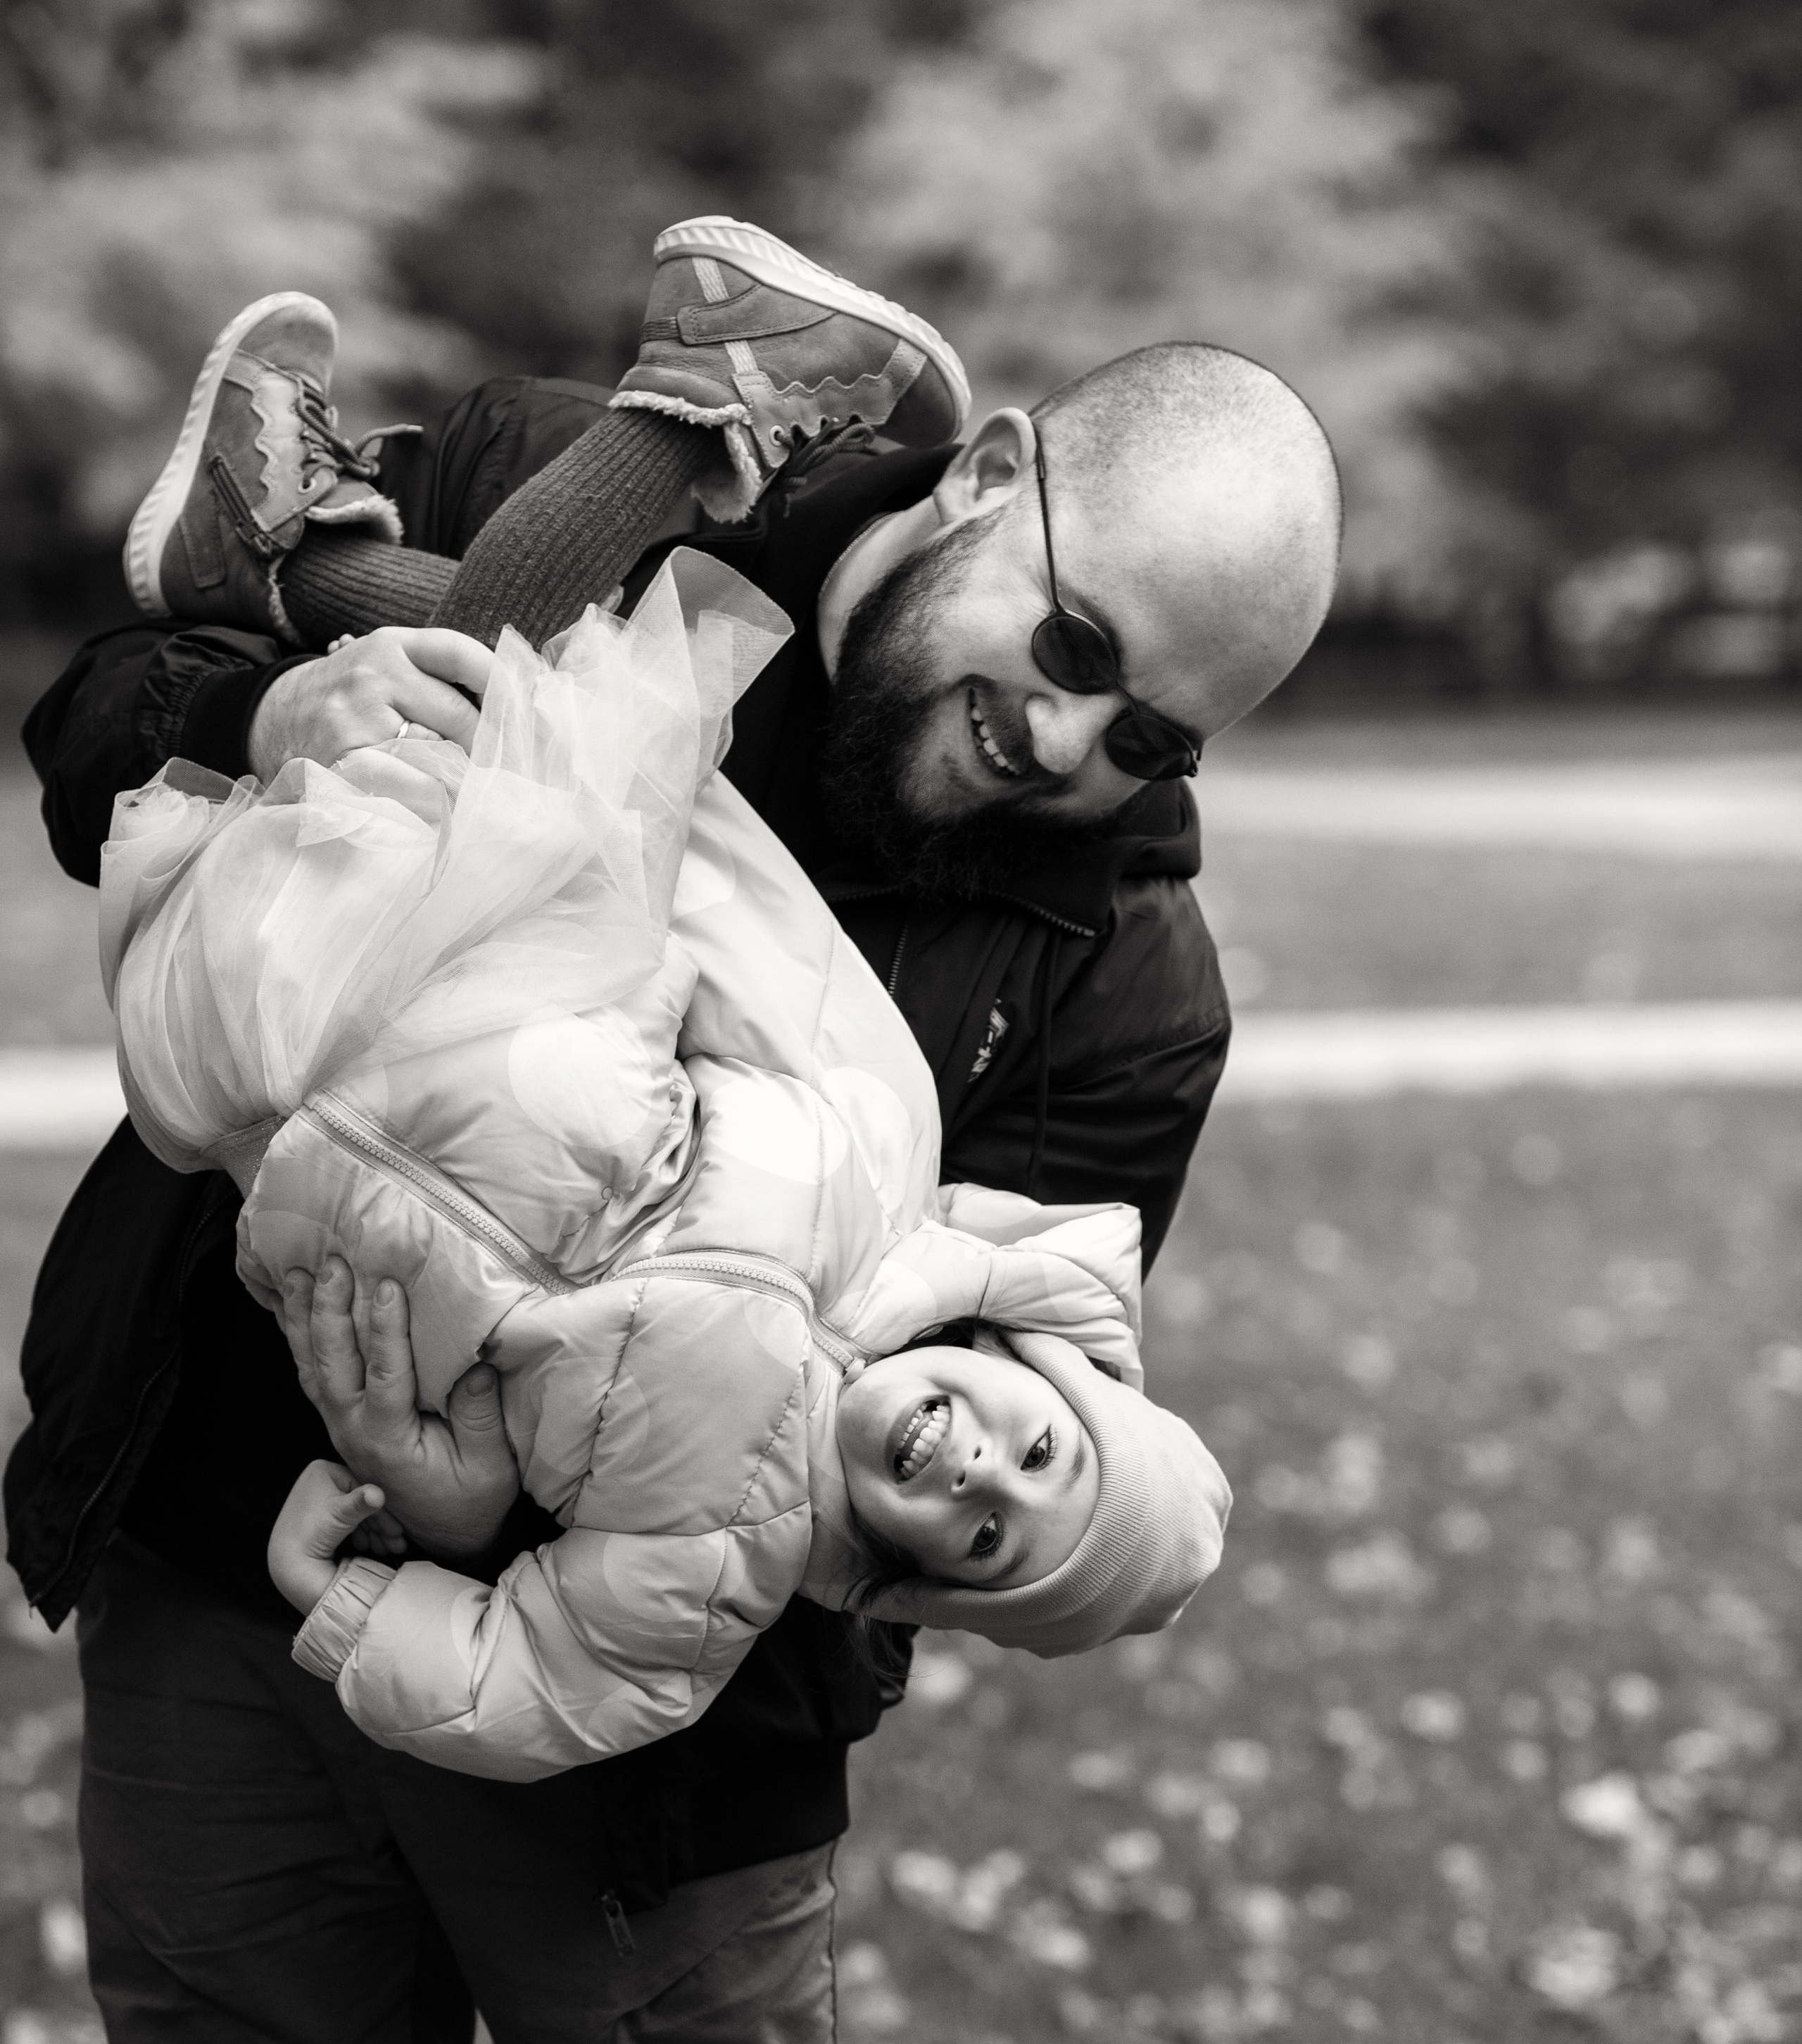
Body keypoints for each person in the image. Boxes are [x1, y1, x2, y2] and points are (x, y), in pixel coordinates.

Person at [6, 215, 1340, 2044]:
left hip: (640, 1737)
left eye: (1157, 734)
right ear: (999, 475)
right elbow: (111, 700)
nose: (1074, 748)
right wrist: (263, 714)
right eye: (1075, 652)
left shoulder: (1120, 985)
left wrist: (527, 1488)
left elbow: (969, 1439)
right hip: (230, 1573)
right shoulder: (584, 493)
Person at [103, 529, 1228, 1772]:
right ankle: (390, 515)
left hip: (256, 1093)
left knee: (225, 935)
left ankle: (297, 549)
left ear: (928, 1586)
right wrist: (605, 771)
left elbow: (530, 1693)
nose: (980, 1474)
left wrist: (348, 1583)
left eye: (990, 1540)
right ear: (1043, 1372)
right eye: (1040, 1450)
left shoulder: (710, 1577)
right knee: (478, 685)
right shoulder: (881, 1163)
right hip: (450, 955)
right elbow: (744, 927)